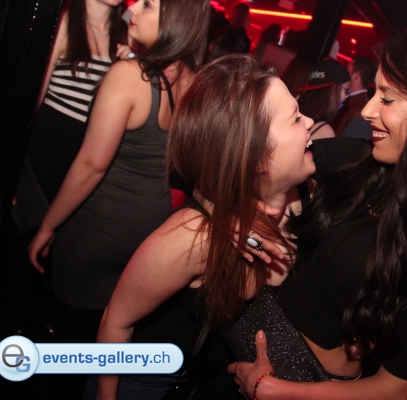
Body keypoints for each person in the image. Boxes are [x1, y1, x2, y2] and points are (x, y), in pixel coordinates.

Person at [230, 19, 407, 399]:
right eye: (374, 92)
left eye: (387, 99)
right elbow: (244, 163)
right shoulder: (354, 161)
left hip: (303, 385)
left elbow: (394, 388)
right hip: (241, 344)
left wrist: (276, 391)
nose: (367, 110)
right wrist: (239, 214)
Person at [93, 53, 315, 399]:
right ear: (257, 158)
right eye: (296, 118)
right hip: (146, 383)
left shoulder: (304, 197)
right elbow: (116, 321)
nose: (312, 122)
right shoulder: (192, 236)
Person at [28, 0, 209, 352]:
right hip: (146, 231)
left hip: (99, 228)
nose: (132, 10)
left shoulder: (130, 75)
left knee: (65, 334)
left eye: (147, 5)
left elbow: (91, 166)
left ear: (175, 18)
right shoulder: (193, 81)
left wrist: (48, 226)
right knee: (107, 329)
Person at [13, 0, 130, 232]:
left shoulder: (126, 33)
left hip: (85, 170)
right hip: (43, 157)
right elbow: (29, 106)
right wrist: (10, 171)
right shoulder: (64, 22)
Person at [294, 59, 351, 139]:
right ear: (334, 89)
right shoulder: (324, 131)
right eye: (346, 90)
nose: (346, 97)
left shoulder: (292, 110)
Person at [331, 56, 376, 138]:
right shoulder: (353, 101)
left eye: (347, 70)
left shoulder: (360, 108)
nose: (344, 74)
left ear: (356, 76)